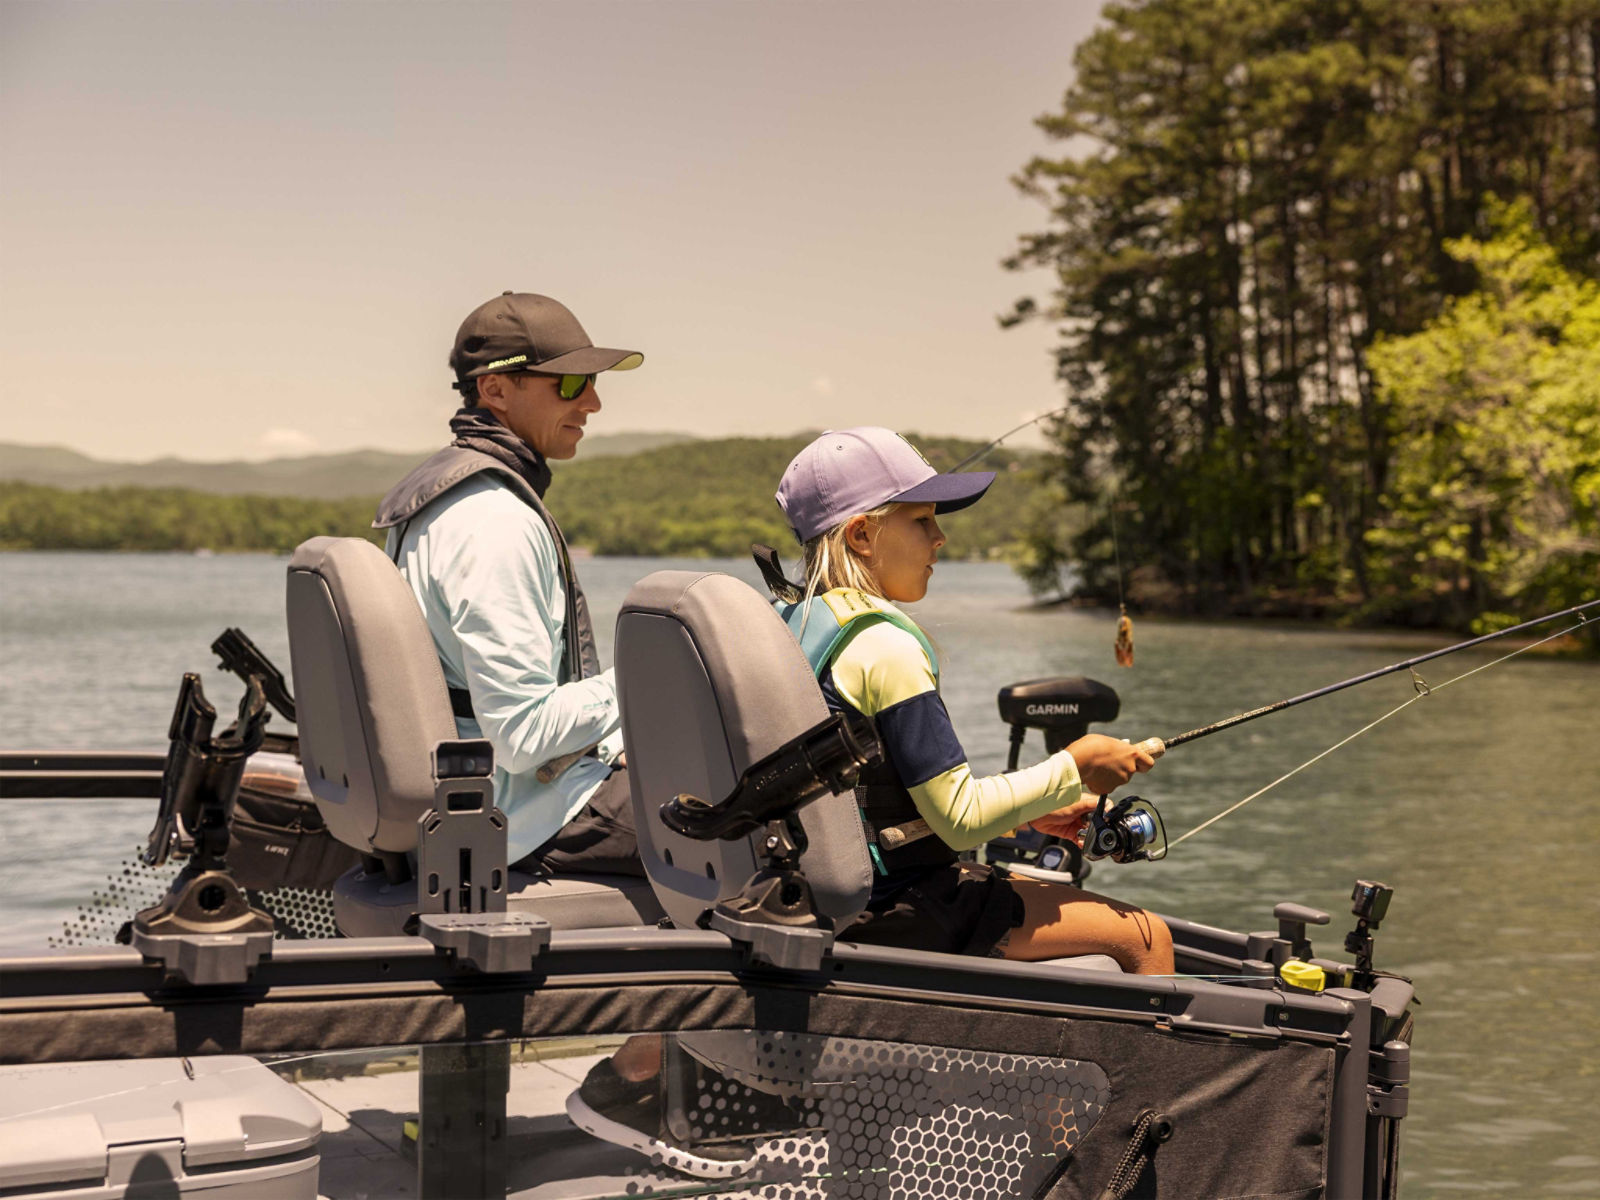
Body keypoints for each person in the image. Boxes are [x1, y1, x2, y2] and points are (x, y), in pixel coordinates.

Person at [771, 426, 1173, 973]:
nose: (940, 538)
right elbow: (959, 820)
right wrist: (1076, 766)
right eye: (922, 520)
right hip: (900, 906)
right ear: (862, 535)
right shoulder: (884, 646)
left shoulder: (793, 625)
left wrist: (1027, 815)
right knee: (1148, 940)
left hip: (831, 897)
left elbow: (865, 800)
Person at [372, 291, 645, 875]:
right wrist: (650, 681)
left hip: (485, 796)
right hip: (525, 816)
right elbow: (522, 733)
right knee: (765, 826)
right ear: (495, 390)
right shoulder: (494, 522)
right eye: (569, 385)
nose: (593, 402)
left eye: (592, 382)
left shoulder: (436, 499)